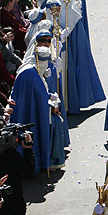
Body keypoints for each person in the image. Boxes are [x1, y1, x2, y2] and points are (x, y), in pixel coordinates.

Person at [10, 43, 69, 173]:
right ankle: (47, 161)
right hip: (34, 112)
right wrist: (51, 99)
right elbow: (42, 97)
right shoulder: (32, 74)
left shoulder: (30, 70)